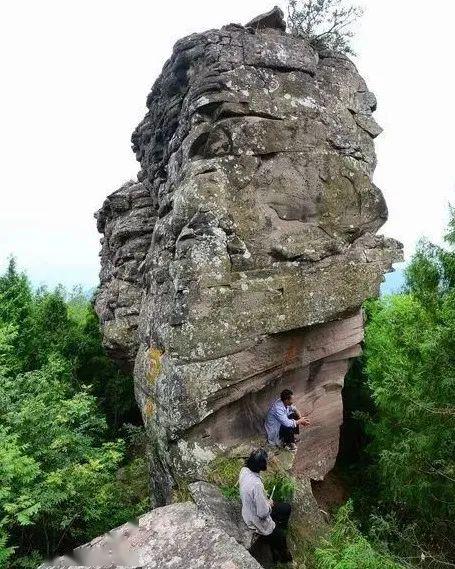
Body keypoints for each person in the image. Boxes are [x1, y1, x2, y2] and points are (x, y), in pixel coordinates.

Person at [239, 449, 293, 564]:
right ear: (261, 465)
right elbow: (262, 513)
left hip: (248, 510)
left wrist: (265, 501)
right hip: (256, 520)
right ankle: (283, 558)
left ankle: (277, 527)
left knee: (285, 508)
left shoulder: (244, 470)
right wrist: (268, 504)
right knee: (281, 538)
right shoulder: (256, 485)